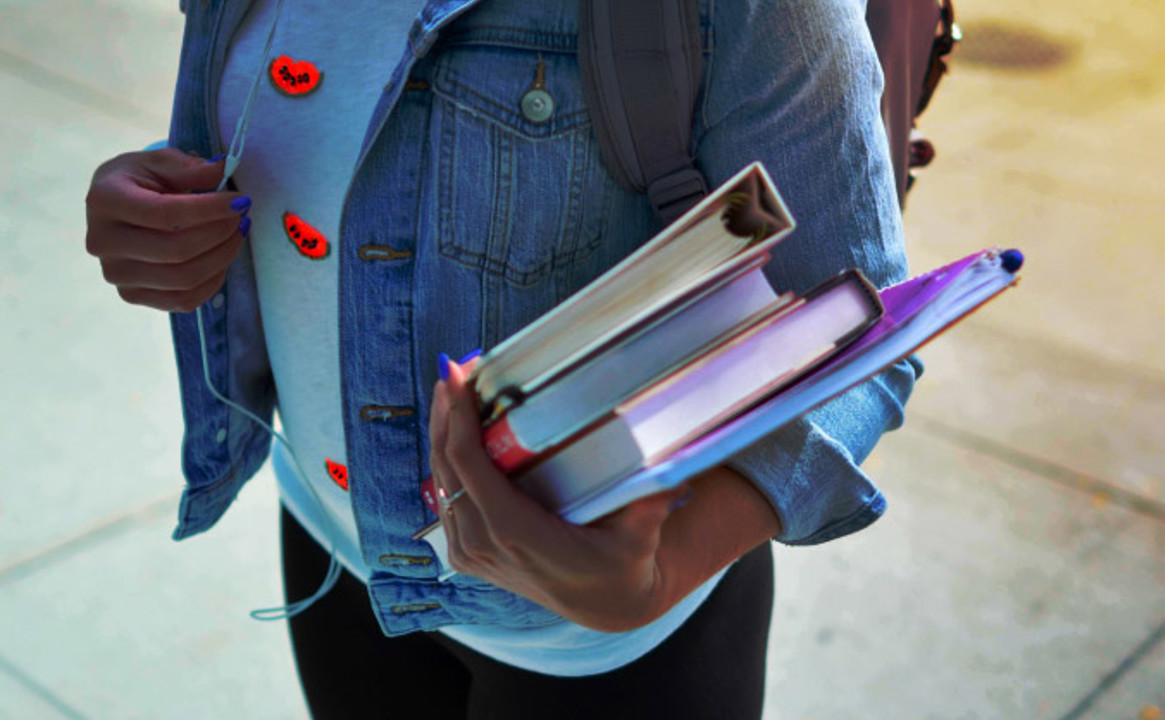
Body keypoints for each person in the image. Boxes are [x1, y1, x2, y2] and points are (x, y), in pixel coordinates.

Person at [83, 0, 920, 717]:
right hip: (332, 546)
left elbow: (858, 326)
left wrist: (663, 571)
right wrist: (155, 217)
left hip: (605, 648)